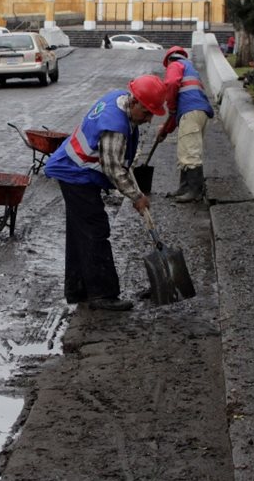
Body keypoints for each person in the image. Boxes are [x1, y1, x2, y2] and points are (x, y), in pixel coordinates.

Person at [42, 75, 167, 311]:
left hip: (73, 170)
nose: (150, 119)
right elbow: (114, 169)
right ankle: (103, 294)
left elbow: (119, 164)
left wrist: (136, 193)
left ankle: (79, 289)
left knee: (81, 234)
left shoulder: (118, 100)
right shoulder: (115, 126)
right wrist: (137, 197)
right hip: (75, 174)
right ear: (134, 101)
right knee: (95, 231)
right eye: (148, 112)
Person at [156, 46, 214, 203]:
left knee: (189, 152)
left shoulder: (174, 64)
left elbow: (171, 84)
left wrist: (172, 106)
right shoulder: (190, 68)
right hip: (199, 112)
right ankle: (185, 187)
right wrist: (165, 130)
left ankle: (195, 192)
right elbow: (174, 117)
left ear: (168, 59)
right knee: (187, 148)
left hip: (190, 112)